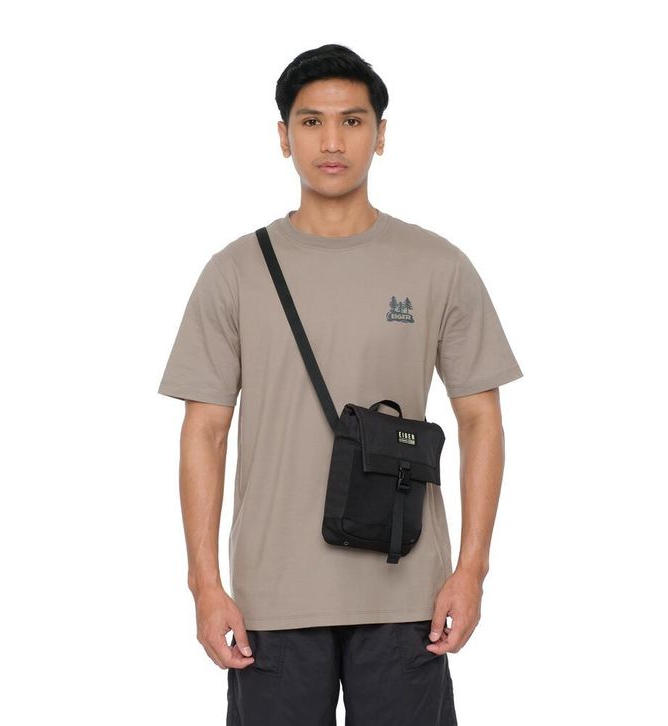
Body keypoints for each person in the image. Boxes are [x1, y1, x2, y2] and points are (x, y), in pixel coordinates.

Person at [157, 43, 523, 726]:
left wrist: (471, 570)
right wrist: (204, 585)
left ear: (381, 135)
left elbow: (482, 419)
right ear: (283, 136)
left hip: (407, 597)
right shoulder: (235, 272)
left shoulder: (437, 265)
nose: (332, 141)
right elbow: (204, 431)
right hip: (272, 600)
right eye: (311, 122)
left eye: (352, 122)